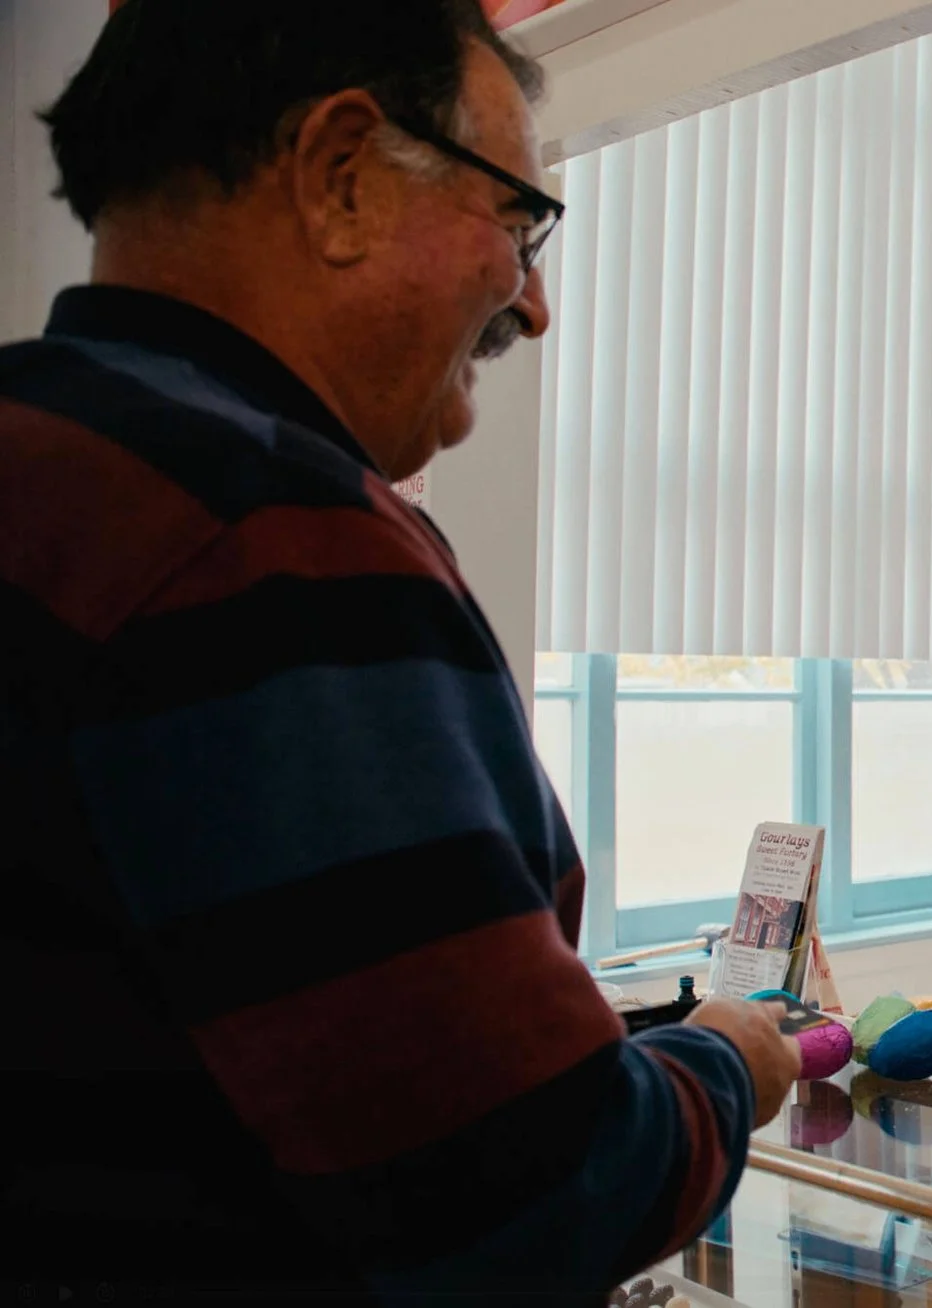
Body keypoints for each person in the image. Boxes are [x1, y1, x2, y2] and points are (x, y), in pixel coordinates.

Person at [0, 3, 797, 1299]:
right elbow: (533, 1194)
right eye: (517, 222)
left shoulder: (48, 461)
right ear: (343, 174)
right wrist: (727, 1063)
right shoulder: (268, 535)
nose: (532, 305)